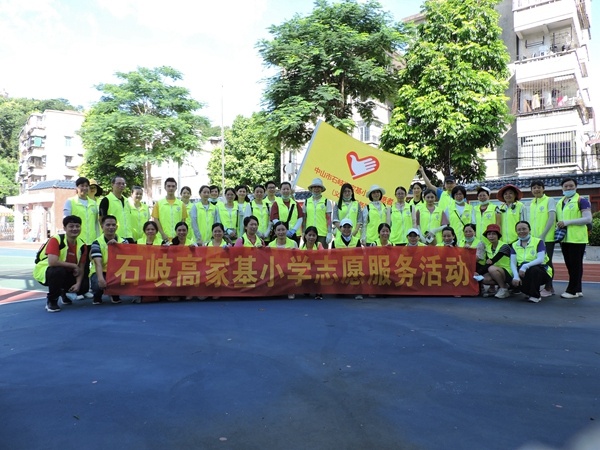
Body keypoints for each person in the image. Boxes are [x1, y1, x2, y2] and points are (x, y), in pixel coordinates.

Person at [33, 215, 87, 313]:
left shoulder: (82, 245)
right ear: (65, 228)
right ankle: (52, 300)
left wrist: (78, 284)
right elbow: (52, 262)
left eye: (77, 226)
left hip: (66, 272)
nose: (75, 229)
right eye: (71, 226)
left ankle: (64, 292)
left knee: (84, 286)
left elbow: (81, 267)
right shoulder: (56, 239)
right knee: (58, 271)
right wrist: (73, 266)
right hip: (46, 271)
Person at [555, 177, 593, 299]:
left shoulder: (581, 201)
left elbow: (588, 219)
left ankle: (571, 291)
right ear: (562, 188)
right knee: (570, 265)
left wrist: (567, 222)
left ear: (576, 187)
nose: (568, 188)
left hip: (577, 239)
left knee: (576, 265)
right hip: (565, 238)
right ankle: (577, 289)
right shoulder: (560, 202)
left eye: (571, 186)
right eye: (566, 186)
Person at [63, 176, 98, 300]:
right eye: (81, 186)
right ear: (77, 188)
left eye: (86, 186)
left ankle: (84, 289)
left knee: (86, 266)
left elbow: (96, 223)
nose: (84, 188)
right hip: (76, 240)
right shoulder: (70, 201)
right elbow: (66, 220)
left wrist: (97, 238)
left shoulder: (93, 203)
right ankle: (71, 290)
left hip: (90, 240)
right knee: (74, 266)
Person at [90, 215, 129, 305]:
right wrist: (100, 279)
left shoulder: (124, 242)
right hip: (101, 271)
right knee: (98, 284)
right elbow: (98, 263)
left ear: (117, 227)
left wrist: (118, 247)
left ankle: (114, 293)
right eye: (108, 225)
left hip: (117, 272)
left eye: (113, 225)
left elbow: (128, 259)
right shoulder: (96, 243)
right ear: (102, 226)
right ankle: (97, 295)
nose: (111, 227)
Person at [509, 221, 552, 303]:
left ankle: (535, 296)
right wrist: (516, 276)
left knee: (533, 270)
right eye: (519, 230)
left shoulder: (538, 242)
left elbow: (540, 259)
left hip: (541, 270)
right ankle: (528, 291)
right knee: (512, 277)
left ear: (529, 230)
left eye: (524, 229)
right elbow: (513, 263)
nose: (521, 231)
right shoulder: (514, 245)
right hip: (523, 270)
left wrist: (525, 266)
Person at [527, 179, 556, 297]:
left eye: (539, 187)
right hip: (534, 239)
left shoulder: (549, 200)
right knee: (536, 262)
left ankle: (549, 287)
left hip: (546, 238)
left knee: (547, 262)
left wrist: (543, 235)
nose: (536, 190)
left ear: (543, 189)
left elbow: (552, 218)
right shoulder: (532, 203)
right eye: (534, 188)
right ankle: (537, 286)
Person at [479, 224, 513, 299]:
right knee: (484, 279)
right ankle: (503, 285)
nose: (491, 236)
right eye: (489, 234)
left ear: (498, 235)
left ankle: (503, 289)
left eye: (494, 234)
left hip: (507, 271)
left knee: (491, 268)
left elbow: (493, 261)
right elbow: (487, 262)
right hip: (495, 271)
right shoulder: (488, 247)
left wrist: (478, 272)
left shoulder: (504, 246)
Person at [98, 176, 133, 242]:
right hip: (113, 237)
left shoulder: (126, 201)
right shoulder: (106, 200)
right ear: (112, 185)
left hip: (128, 236)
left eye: (123, 184)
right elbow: (101, 219)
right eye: (118, 183)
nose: (121, 185)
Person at [152, 177, 187, 242]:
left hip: (177, 238)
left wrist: (178, 234)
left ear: (176, 188)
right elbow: (156, 220)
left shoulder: (181, 204)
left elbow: (183, 221)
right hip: (162, 238)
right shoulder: (158, 204)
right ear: (165, 187)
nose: (171, 188)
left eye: (173, 186)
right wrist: (162, 234)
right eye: (168, 186)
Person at [304, 178, 333, 247]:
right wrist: (303, 232)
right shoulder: (307, 201)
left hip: (322, 233)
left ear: (321, 189)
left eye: (318, 187)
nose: (316, 189)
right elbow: (304, 218)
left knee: (322, 253)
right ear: (311, 189)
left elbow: (328, 219)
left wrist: (329, 232)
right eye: (314, 187)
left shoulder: (326, 202)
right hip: (309, 234)